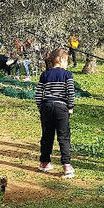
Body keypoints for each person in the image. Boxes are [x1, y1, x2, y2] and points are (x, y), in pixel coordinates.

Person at [35, 49, 76, 179]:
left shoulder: (45, 75)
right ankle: (66, 165)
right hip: (61, 107)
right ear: (61, 60)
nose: (67, 64)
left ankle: (44, 162)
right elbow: (70, 92)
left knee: (47, 135)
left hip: (46, 106)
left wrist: (41, 107)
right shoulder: (67, 75)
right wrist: (70, 107)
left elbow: (38, 94)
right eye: (67, 61)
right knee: (63, 136)